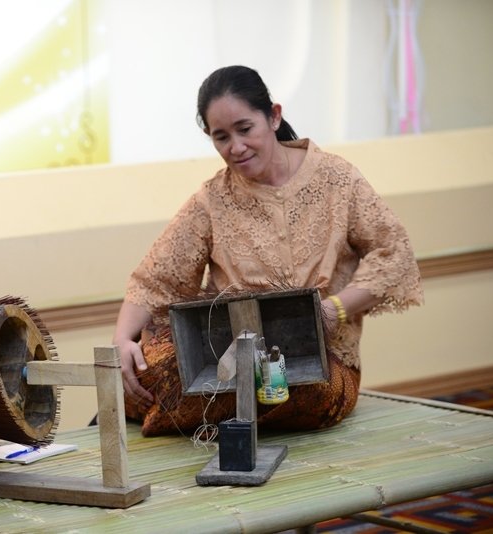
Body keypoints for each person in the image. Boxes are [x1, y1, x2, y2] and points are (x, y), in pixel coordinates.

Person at [113, 66, 424, 436]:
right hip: (230, 360)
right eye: (221, 137)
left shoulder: (337, 179)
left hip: (324, 365)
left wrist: (333, 310)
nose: (236, 147)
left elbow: (394, 253)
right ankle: (204, 411)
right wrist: (122, 340)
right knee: (143, 373)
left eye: (245, 129)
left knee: (310, 390)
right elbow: (155, 280)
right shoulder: (212, 199)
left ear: (274, 116)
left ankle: (190, 416)